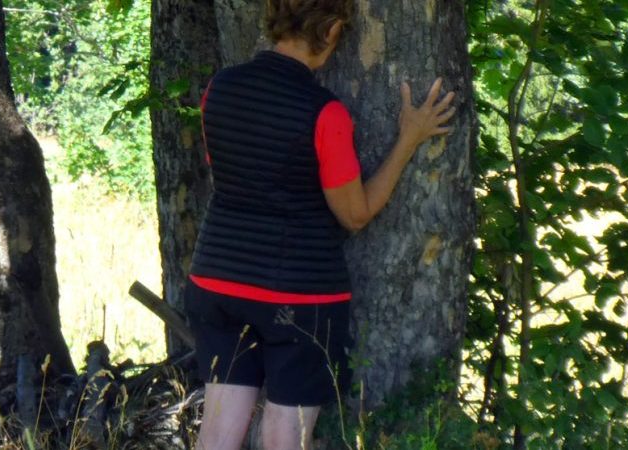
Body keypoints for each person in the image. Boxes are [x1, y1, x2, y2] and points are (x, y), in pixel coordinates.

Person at [185, 1, 456, 449]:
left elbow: (229, 172)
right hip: (297, 295)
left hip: (217, 283)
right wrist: (409, 137)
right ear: (330, 30)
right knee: (284, 440)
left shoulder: (221, 88)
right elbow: (355, 213)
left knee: (215, 436)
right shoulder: (324, 113)